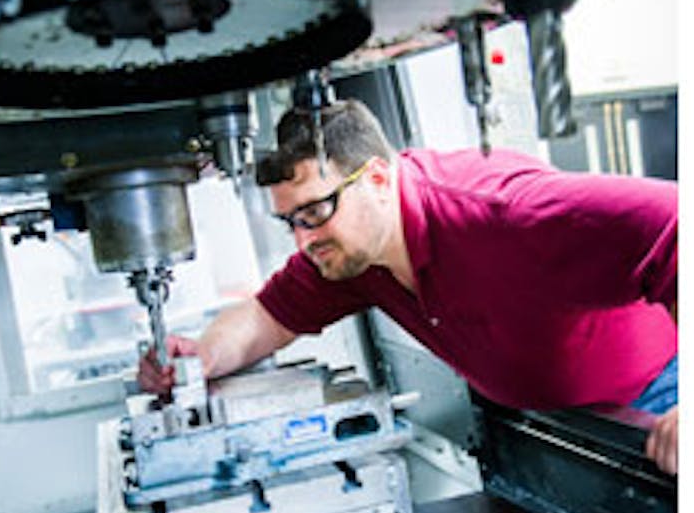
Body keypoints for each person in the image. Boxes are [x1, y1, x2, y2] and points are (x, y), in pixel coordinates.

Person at [139, 99, 678, 476]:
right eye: (291, 221)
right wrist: (199, 358)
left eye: (315, 212)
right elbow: (266, 317)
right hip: (547, 424)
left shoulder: (504, 211)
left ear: (377, 178)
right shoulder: (353, 253)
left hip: (652, 405)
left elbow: (676, 221)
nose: (304, 240)